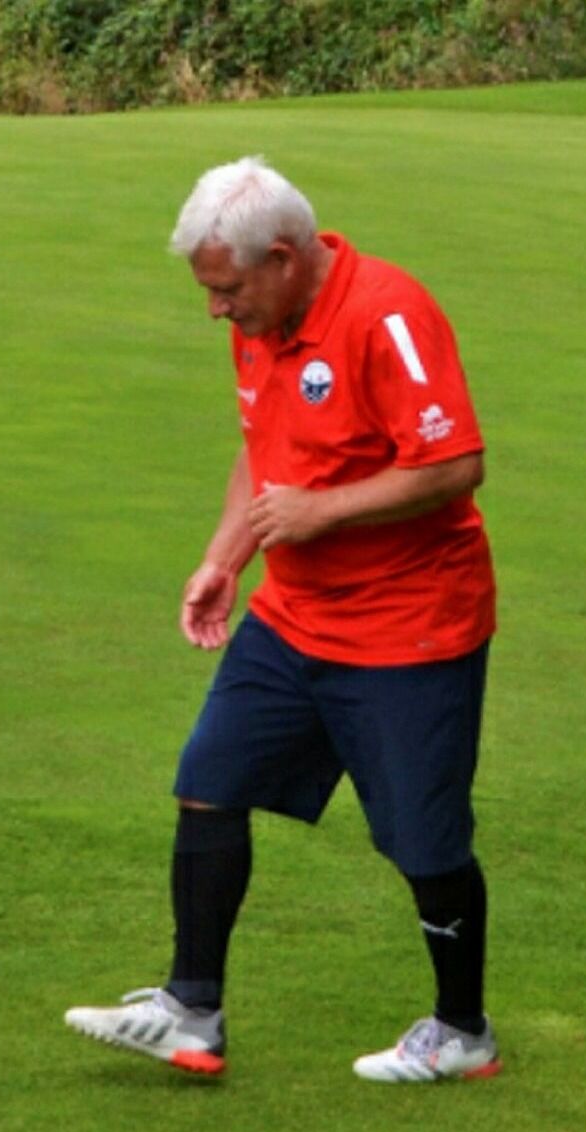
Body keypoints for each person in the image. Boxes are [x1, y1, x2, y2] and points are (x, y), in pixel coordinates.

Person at [64, 156, 500, 1083]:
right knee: (209, 779)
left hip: (408, 625)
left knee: (424, 844)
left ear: (285, 258)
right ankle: (192, 1011)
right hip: (294, 617)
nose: (215, 310)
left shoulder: (388, 315)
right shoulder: (260, 323)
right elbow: (263, 451)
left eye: (226, 290)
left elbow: (455, 463)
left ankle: (462, 1030)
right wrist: (224, 560)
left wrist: (322, 510)